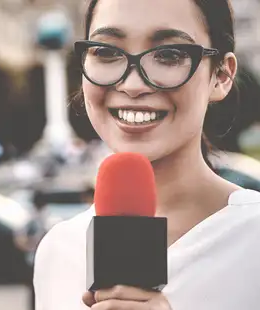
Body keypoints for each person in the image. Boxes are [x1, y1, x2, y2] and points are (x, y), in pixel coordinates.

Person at [33, 0, 260, 309]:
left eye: (169, 55)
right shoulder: (58, 251)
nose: (133, 84)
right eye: (107, 52)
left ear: (221, 75)